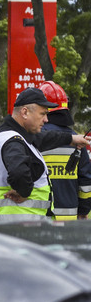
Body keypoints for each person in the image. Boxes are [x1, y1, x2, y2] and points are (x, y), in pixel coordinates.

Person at [0, 87, 90, 223]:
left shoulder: (6, 134)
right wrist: (24, 192)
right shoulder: (13, 141)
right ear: (25, 112)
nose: (46, 119)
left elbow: (42, 138)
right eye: (42, 114)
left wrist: (71, 139)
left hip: (14, 222)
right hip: (22, 224)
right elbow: (19, 172)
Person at [38, 81, 91, 220]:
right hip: (69, 220)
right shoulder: (77, 140)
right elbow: (85, 182)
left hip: (38, 219)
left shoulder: (32, 138)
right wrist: (83, 210)